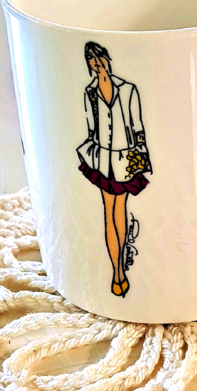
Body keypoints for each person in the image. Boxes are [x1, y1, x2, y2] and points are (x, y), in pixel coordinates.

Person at [77, 41, 152, 297]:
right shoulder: (90, 92)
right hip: (102, 159)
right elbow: (91, 127)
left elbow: (137, 126)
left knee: (119, 210)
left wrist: (141, 157)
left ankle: (120, 270)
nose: (97, 64)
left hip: (125, 159)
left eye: (99, 58)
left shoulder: (128, 89)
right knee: (109, 212)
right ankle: (117, 271)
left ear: (107, 58)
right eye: (91, 60)